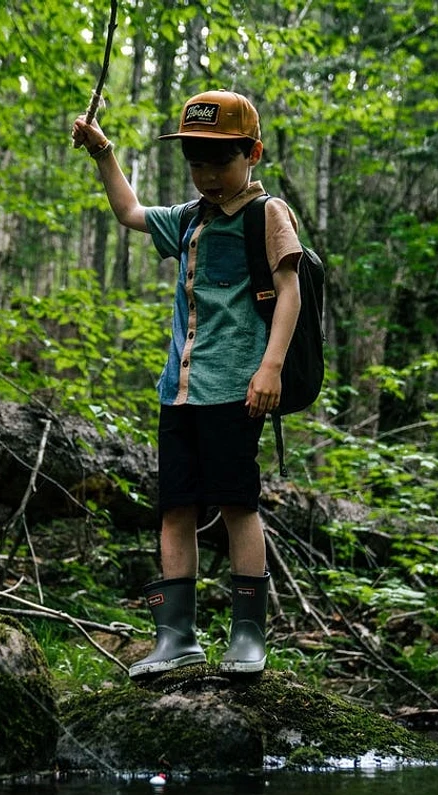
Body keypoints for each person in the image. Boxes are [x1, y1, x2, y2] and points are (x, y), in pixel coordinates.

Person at [72, 89, 302, 679]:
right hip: (179, 391)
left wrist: (271, 366)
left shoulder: (266, 215)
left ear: (251, 153)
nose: (205, 173)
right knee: (174, 508)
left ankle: (248, 637)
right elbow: (130, 213)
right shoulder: (191, 218)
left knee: (236, 505)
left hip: (236, 389)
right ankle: (176, 636)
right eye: (195, 161)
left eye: (218, 160)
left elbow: (289, 291)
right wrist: (103, 153)